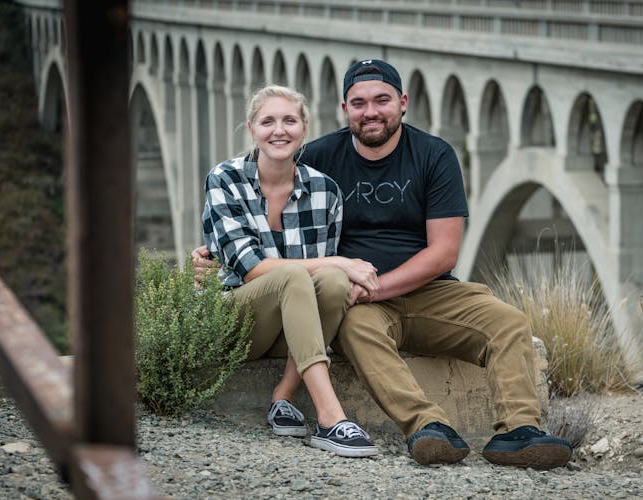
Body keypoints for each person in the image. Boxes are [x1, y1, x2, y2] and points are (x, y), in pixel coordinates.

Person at [195, 61, 572, 469]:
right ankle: (428, 428)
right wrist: (211, 249)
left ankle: (519, 432)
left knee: (508, 321)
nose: (370, 111)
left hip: (427, 290)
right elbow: (270, 206)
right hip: (362, 305)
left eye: (382, 100)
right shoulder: (319, 158)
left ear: (402, 103)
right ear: (344, 108)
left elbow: (444, 252)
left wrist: (376, 285)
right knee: (357, 332)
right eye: (359, 103)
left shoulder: (434, 154)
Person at [201, 84, 380, 458]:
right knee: (309, 273)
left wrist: (335, 268)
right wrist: (340, 262)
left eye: (289, 120)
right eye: (267, 121)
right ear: (252, 129)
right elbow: (252, 270)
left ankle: (283, 396)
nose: (278, 130)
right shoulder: (225, 180)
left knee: (331, 282)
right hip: (237, 324)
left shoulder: (325, 192)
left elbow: (320, 285)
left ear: (304, 128)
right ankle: (331, 420)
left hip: (291, 329)